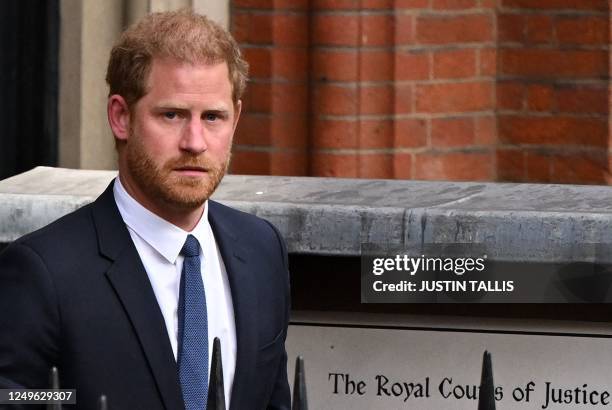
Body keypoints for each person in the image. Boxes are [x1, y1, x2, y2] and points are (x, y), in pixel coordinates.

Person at [0, 10, 291, 410]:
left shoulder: (262, 251)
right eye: (171, 115)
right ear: (121, 117)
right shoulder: (43, 273)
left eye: (213, 117)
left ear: (235, 118)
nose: (195, 141)